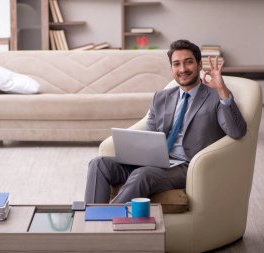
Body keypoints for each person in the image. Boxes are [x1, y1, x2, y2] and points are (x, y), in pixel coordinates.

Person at [84, 39, 247, 204]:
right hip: (156, 161)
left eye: (188, 62)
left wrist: (221, 89)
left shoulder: (215, 96)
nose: (182, 69)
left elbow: (237, 131)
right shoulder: (161, 97)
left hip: (186, 166)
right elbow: (150, 136)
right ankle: (91, 216)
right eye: (176, 64)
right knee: (98, 164)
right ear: (172, 69)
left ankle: (104, 220)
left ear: (199, 66)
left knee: (143, 175)